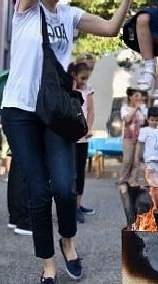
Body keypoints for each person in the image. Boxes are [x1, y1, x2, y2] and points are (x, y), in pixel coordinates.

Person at [0, 0, 150, 283]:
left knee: (65, 189)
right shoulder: (25, 4)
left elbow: (112, 28)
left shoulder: (69, 15)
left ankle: (68, 242)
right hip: (20, 111)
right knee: (38, 192)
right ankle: (48, 264)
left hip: (54, 112)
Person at [69, 61, 96, 224]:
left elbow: (91, 110)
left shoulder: (88, 89)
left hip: (83, 138)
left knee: (80, 173)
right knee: (70, 174)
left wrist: (90, 128)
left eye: (87, 78)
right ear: (74, 75)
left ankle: (78, 205)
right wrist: (72, 86)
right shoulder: (68, 89)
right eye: (82, 78)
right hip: (71, 138)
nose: (84, 81)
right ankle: (71, 207)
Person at [119, 88, 144, 186]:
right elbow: (127, 119)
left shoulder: (141, 109)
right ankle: (123, 180)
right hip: (128, 137)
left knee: (137, 160)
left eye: (140, 96)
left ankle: (133, 180)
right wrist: (135, 109)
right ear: (130, 97)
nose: (139, 98)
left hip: (139, 138)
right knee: (127, 160)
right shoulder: (125, 108)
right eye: (136, 96)